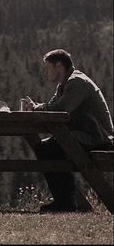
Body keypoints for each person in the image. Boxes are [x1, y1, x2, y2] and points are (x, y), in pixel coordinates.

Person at [21, 49, 114, 213]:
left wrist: (36, 108)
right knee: (45, 148)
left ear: (59, 66)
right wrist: (36, 107)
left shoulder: (76, 82)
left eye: (48, 67)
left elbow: (60, 109)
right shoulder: (64, 85)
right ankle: (64, 201)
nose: (46, 72)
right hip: (85, 135)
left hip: (98, 139)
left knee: (51, 149)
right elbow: (52, 105)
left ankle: (66, 202)